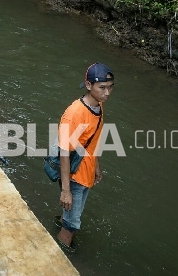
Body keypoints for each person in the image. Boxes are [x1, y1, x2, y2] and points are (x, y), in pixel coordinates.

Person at [55, 63, 113, 253]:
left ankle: (62, 224)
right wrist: (66, 190)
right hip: (74, 176)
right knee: (71, 225)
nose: (107, 92)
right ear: (88, 85)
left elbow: (92, 140)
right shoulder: (74, 115)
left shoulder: (98, 106)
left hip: (86, 171)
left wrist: (96, 165)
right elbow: (64, 152)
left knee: (70, 216)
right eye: (102, 87)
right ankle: (62, 254)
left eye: (110, 87)